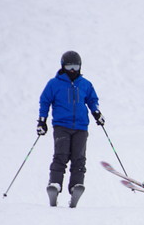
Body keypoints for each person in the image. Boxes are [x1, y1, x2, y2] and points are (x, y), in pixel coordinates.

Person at [38, 51, 104, 206]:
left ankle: (75, 187)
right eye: (69, 66)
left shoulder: (85, 84)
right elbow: (44, 101)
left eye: (75, 66)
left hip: (81, 127)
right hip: (62, 126)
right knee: (60, 156)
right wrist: (42, 121)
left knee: (79, 158)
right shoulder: (54, 84)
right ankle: (55, 184)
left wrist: (96, 113)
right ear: (63, 66)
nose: (73, 70)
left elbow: (92, 99)